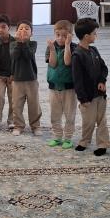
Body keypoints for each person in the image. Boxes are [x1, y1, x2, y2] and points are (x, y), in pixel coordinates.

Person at [71, 18, 110, 156]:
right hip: (88, 97)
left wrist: (102, 81)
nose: (96, 35)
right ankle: (84, 142)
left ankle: (103, 144)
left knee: (102, 120)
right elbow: (77, 80)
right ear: (86, 36)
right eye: (94, 33)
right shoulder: (77, 55)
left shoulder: (94, 50)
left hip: (100, 94)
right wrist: (82, 98)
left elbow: (103, 68)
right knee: (89, 121)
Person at [46, 20, 77, 148]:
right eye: (58, 35)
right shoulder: (51, 47)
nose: (60, 38)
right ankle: (57, 137)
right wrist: (52, 49)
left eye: (64, 36)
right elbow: (53, 64)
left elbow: (67, 62)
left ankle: (68, 138)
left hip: (69, 88)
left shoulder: (74, 47)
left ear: (70, 35)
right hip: (54, 87)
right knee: (55, 114)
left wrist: (67, 45)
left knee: (69, 114)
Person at [10, 20, 42, 136]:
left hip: (31, 79)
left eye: (27, 29)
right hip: (17, 80)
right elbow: (15, 56)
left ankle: (35, 126)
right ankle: (18, 126)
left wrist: (24, 43)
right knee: (17, 105)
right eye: (21, 28)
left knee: (34, 105)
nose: (23, 30)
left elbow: (29, 55)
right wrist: (19, 43)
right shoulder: (13, 44)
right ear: (16, 32)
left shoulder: (33, 44)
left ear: (31, 33)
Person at [0, 14, 14, 130]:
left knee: (13, 98)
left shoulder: (15, 42)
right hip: (0, 76)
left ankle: (11, 120)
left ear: (9, 27)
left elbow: (17, 60)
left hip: (12, 76)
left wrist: (14, 74)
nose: (0, 30)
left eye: (3, 27)